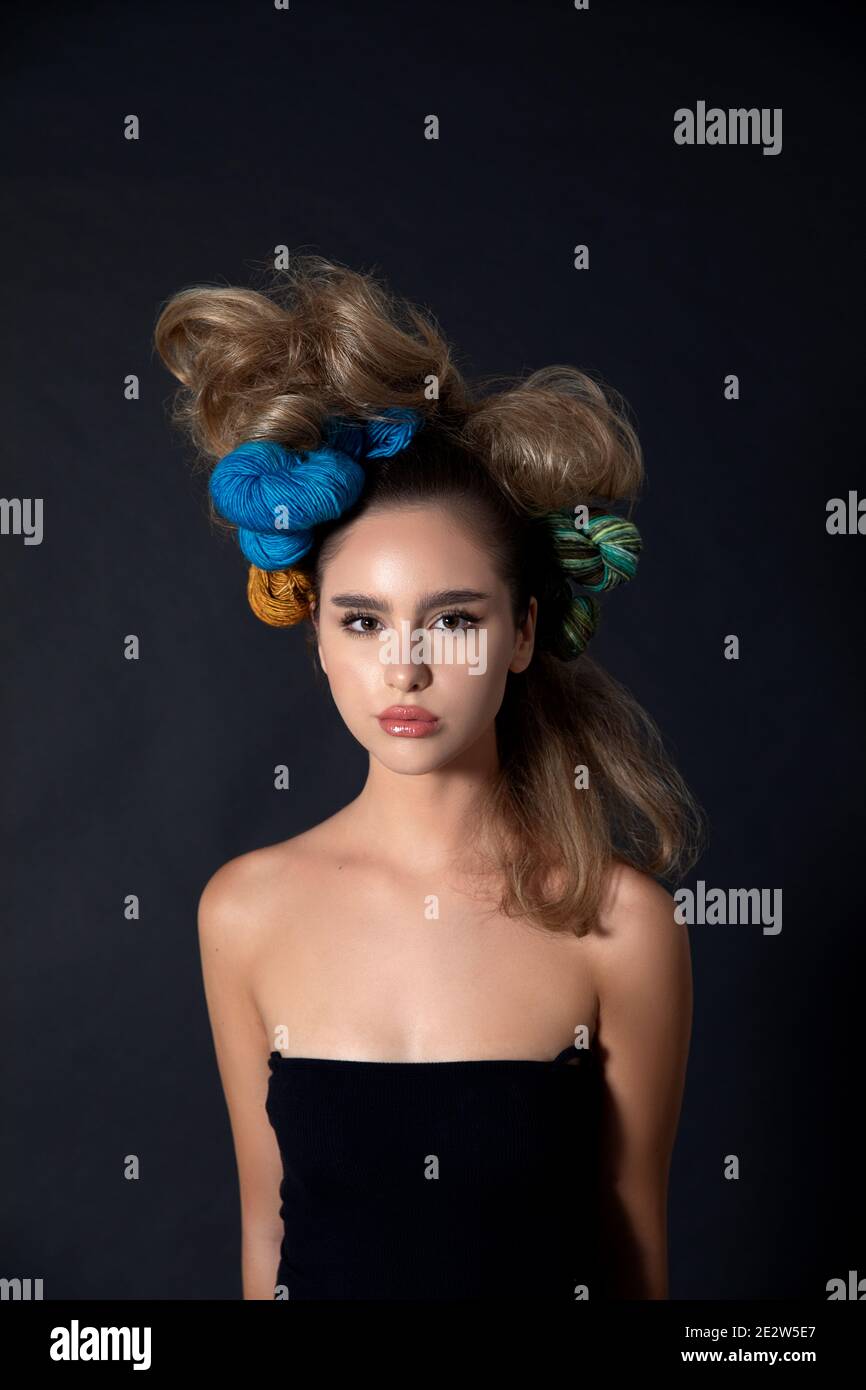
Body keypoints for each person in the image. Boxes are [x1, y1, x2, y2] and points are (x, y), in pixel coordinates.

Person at [154, 253, 703, 1300]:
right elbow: (267, 1245)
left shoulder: (619, 925)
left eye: (453, 620)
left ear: (521, 633)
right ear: (315, 634)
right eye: (362, 620)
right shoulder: (243, 911)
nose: (404, 666)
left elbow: (635, 1264)